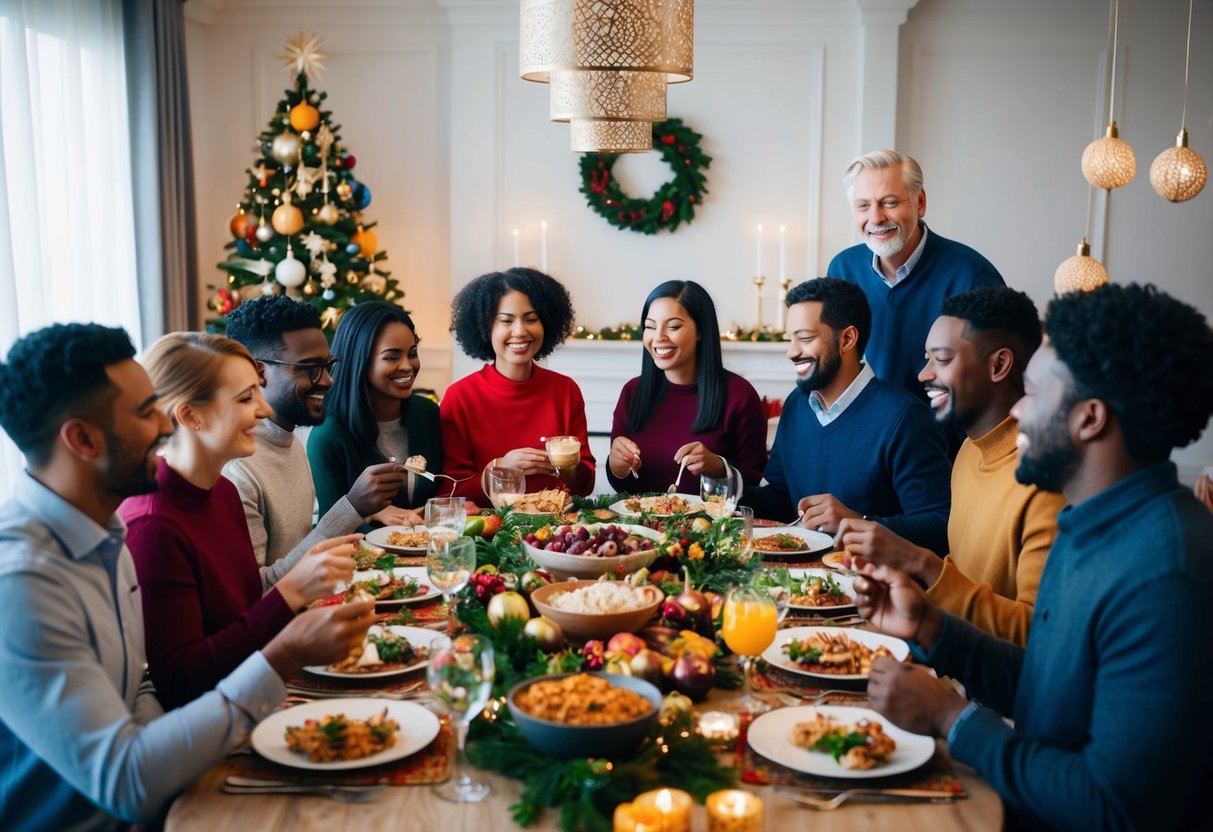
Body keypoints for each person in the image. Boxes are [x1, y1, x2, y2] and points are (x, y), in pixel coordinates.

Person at [852, 283, 1213, 830]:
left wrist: (953, 718)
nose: (1018, 408)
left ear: (1089, 419)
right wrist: (932, 626)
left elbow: (1112, 806)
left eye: (1036, 392)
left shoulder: (1166, 573)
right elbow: (1053, 690)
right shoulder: (1089, 520)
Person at [0, 323, 374, 830]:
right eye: (143, 411)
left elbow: (142, 686)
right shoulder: (21, 584)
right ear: (82, 440)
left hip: (174, 785)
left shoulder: (104, 527)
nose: (163, 423)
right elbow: (128, 783)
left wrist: (176, 747)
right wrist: (282, 653)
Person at [120, 332, 360, 709]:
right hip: (206, 722)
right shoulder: (153, 526)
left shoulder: (222, 492)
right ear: (190, 415)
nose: (264, 410)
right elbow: (181, 682)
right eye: (246, 398)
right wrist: (290, 593)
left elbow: (242, 617)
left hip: (253, 691)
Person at [835, 287, 1064, 645]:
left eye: (941, 360)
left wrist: (921, 562)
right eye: (926, 359)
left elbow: (1036, 634)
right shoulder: (969, 451)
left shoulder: (1044, 483)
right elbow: (963, 577)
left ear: (998, 365)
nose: (924, 374)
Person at [744, 278, 951, 554]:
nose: (792, 352)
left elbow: (941, 527)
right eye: (789, 339)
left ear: (847, 339)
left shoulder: (906, 417)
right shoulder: (796, 404)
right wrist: (724, 481)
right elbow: (781, 499)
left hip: (873, 589)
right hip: (798, 583)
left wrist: (858, 523)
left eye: (805, 339)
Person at [223, 296, 410, 567]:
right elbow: (259, 592)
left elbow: (298, 548)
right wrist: (353, 507)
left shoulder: (292, 440)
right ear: (259, 372)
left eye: (327, 365)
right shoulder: (238, 470)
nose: (327, 380)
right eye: (310, 368)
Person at [827, 150, 1004, 399]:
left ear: (920, 202)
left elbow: (993, 383)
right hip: (867, 430)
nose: (875, 217)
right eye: (864, 205)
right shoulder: (842, 269)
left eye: (889, 202)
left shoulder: (973, 275)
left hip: (943, 434)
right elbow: (835, 364)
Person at [442, 267, 595, 505]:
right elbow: (449, 491)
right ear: (486, 327)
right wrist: (498, 468)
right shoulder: (460, 396)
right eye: (506, 321)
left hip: (555, 531)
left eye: (531, 319)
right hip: (489, 533)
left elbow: (585, 486)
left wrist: (569, 465)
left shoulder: (565, 390)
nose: (520, 331)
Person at [607, 280, 767, 494]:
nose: (658, 337)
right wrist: (616, 467)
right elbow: (623, 487)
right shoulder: (632, 392)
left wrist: (718, 468)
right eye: (650, 327)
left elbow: (754, 485)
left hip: (712, 526)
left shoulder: (740, 395)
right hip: (639, 526)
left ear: (701, 331)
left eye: (673, 326)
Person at [306, 301, 441, 522]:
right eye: (392, 357)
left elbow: (443, 494)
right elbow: (329, 528)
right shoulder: (328, 434)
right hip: (360, 553)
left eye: (412, 353)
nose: (407, 366)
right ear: (359, 360)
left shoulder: (427, 414)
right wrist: (372, 516)